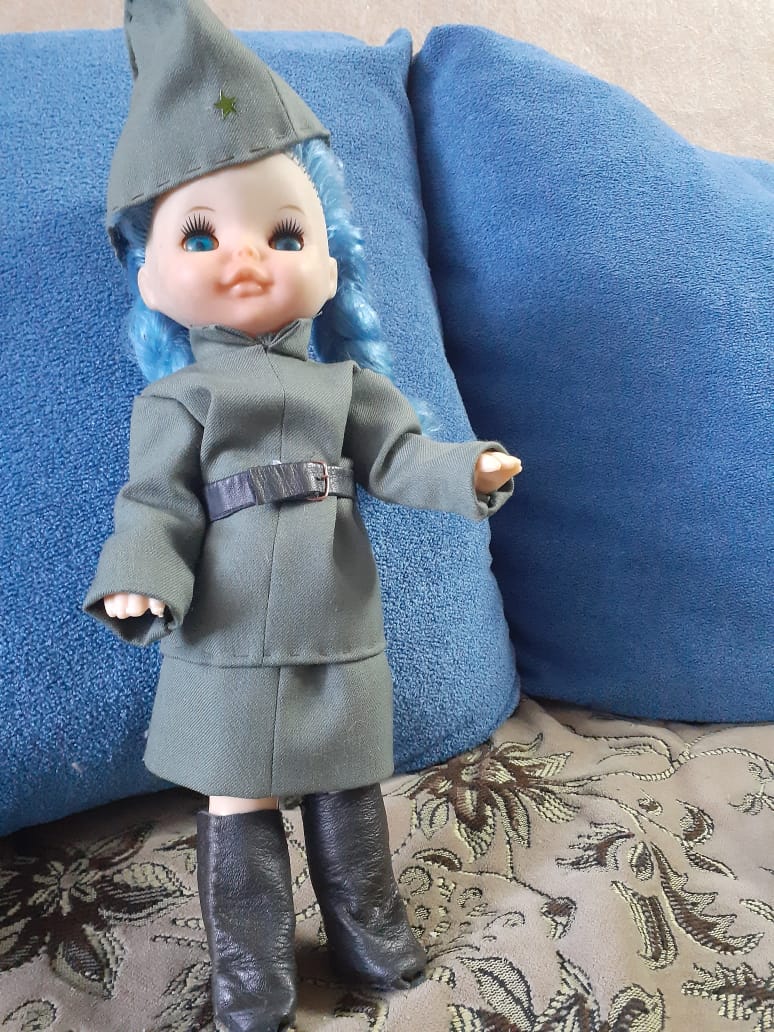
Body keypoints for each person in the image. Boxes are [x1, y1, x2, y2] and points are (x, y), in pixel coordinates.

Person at [84, 2, 521, 1029]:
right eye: (201, 234)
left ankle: (374, 940)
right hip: (226, 636)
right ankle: (253, 981)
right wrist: (139, 576)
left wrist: (469, 469)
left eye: (285, 233)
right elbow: (154, 503)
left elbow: (403, 458)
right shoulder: (178, 402)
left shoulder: (347, 391)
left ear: (331, 264)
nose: (246, 258)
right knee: (238, 798)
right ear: (151, 274)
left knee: (347, 787)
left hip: (334, 630)